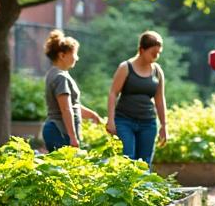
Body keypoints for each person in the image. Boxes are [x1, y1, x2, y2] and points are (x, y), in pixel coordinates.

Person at [106, 31, 168, 165]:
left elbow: (159, 99)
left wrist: (164, 125)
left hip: (148, 123)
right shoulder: (126, 67)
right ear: (141, 50)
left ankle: (143, 186)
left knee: (144, 162)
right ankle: (127, 187)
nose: (156, 57)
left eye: (158, 53)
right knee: (128, 158)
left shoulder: (157, 71)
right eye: (153, 53)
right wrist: (110, 120)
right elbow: (113, 93)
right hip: (125, 121)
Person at [42, 30, 102, 151]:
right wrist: (72, 137)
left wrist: (92, 115)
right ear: (62, 55)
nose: (77, 58)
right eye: (74, 54)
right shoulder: (61, 77)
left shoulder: (54, 74)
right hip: (60, 131)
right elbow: (66, 109)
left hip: (57, 130)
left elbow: (71, 105)